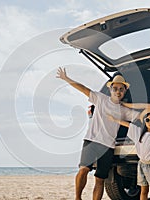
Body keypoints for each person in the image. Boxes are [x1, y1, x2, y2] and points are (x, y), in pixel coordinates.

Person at [56, 67, 139, 200]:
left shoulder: (123, 110)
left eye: (121, 89)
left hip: (108, 147)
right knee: (83, 169)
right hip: (92, 141)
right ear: (111, 89)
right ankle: (78, 198)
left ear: (124, 91)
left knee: (100, 179)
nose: (118, 91)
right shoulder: (100, 99)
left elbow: (142, 117)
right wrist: (66, 79)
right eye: (115, 88)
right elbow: (83, 89)